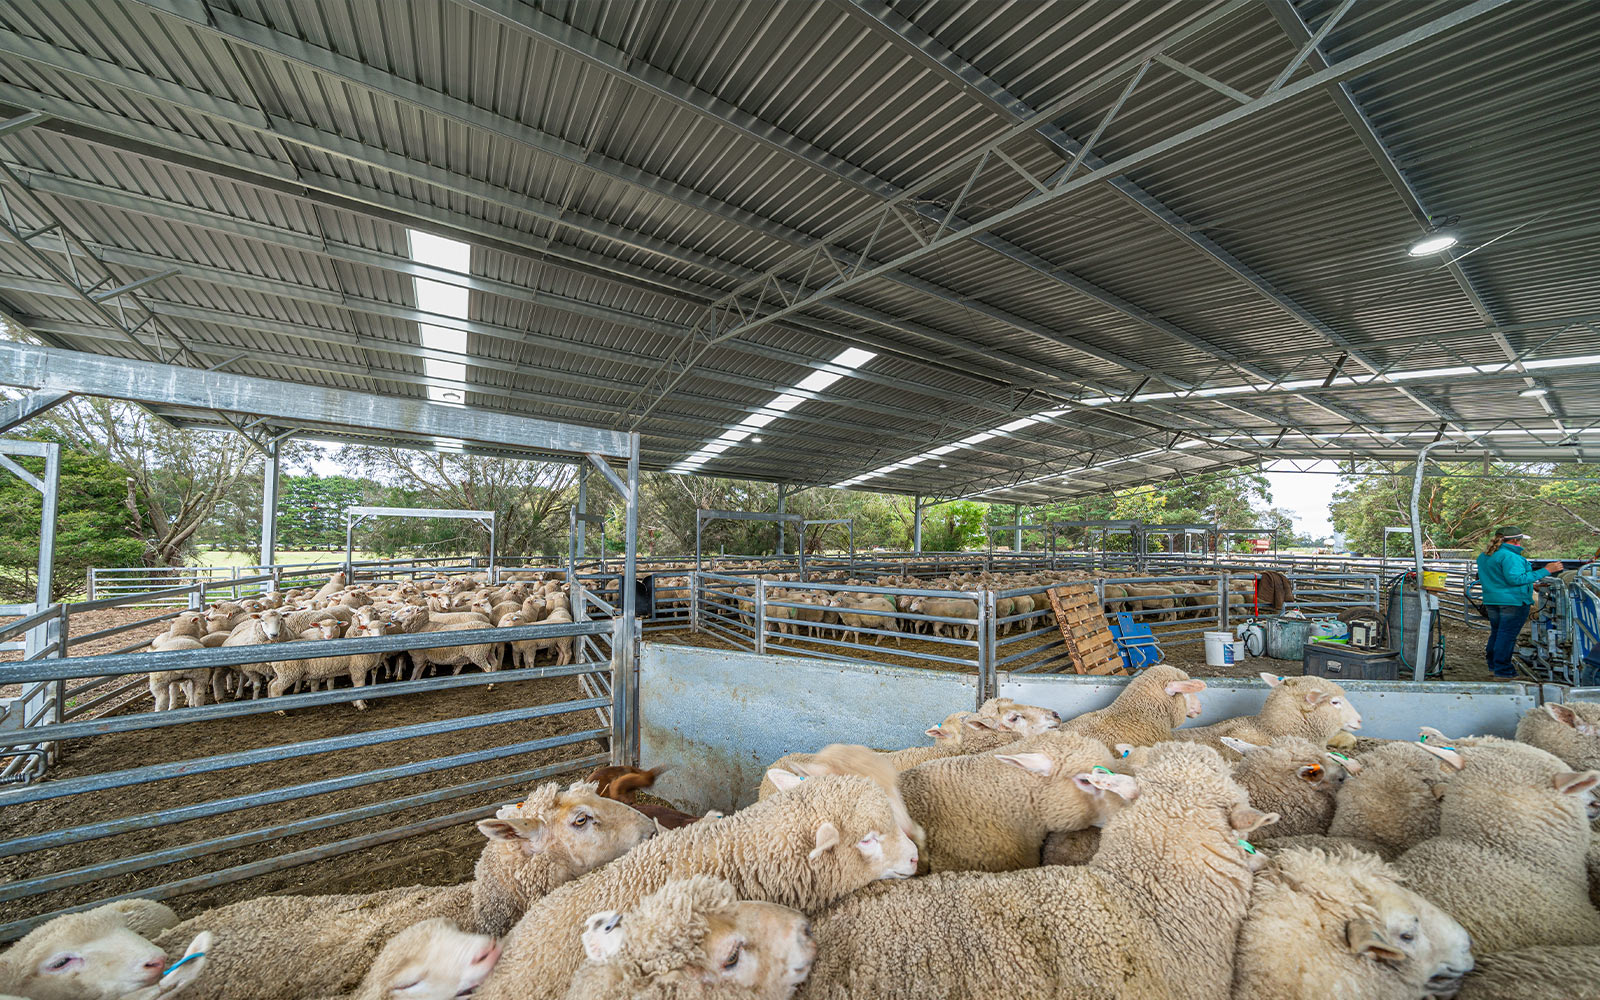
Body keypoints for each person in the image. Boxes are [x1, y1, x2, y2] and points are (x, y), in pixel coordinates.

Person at [1475, 525, 1563, 679]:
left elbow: (1499, 578)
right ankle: (1503, 671)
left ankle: (1493, 666)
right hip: (1513, 602)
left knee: (1497, 633)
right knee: (1507, 635)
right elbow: (1514, 579)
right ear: (1516, 540)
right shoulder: (1510, 556)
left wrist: (1531, 584)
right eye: (1520, 540)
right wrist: (1547, 570)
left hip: (1492, 600)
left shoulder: (1485, 556)